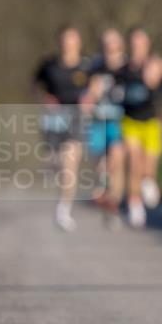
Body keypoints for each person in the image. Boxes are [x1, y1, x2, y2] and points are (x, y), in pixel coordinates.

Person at [33, 26, 91, 232]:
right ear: (59, 42)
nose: (68, 44)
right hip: (53, 119)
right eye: (65, 40)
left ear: (79, 42)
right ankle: (52, 170)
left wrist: (90, 99)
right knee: (55, 162)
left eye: (72, 40)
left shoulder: (87, 66)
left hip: (76, 118)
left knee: (70, 163)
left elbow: (98, 86)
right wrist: (43, 98)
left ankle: (63, 209)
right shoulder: (48, 65)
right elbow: (35, 86)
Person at [120, 27, 162, 228]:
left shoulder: (156, 65)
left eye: (141, 44)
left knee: (148, 168)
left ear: (147, 45)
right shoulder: (123, 68)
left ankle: (148, 181)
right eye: (134, 44)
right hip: (129, 120)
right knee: (134, 161)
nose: (137, 47)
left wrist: (155, 84)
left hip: (151, 121)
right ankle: (134, 204)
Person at [82, 28, 128, 227]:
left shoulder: (129, 66)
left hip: (119, 120)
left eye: (112, 43)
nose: (109, 47)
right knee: (98, 159)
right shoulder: (94, 66)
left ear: (120, 45)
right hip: (98, 119)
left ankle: (113, 204)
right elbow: (85, 95)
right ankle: (103, 184)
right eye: (105, 43)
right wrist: (90, 95)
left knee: (116, 159)